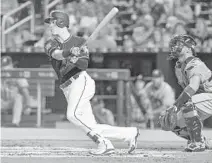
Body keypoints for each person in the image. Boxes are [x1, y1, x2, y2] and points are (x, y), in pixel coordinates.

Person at [44, 10, 139, 155]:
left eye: (52, 22)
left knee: (72, 115)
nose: (50, 25)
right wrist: (70, 53)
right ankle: (129, 133)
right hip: (67, 87)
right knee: (89, 125)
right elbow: (56, 55)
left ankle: (104, 143)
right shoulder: (50, 43)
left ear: (61, 22)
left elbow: (83, 65)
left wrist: (75, 59)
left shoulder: (80, 42)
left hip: (80, 82)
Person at [159, 34, 212, 152]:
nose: (174, 47)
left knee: (187, 104)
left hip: (210, 96)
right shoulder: (179, 67)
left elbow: (192, 87)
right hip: (202, 100)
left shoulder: (194, 64)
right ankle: (199, 138)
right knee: (169, 121)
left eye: (179, 44)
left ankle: (197, 142)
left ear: (188, 48)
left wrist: (175, 105)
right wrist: (174, 109)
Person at [1, 56, 32, 127]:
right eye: (3, 66)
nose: (5, 68)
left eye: (7, 66)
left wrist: (28, 105)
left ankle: (15, 123)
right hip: (2, 101)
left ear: (11, 65)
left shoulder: (17, 73)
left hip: (12, 101)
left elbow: (25, 92)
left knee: (18, 97)